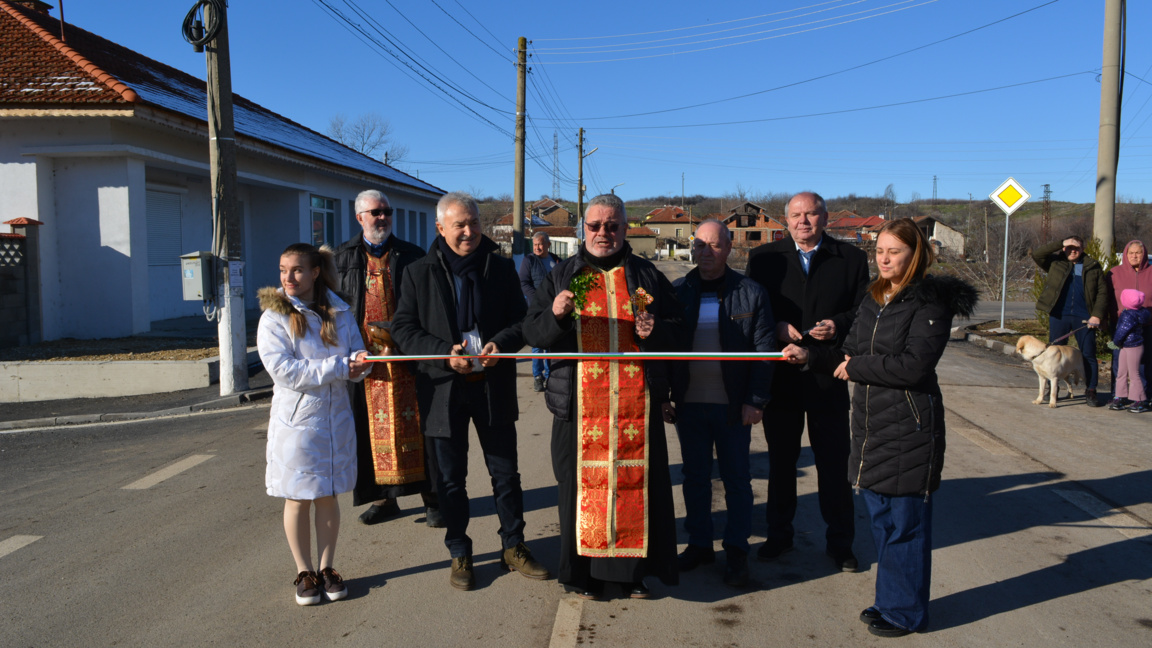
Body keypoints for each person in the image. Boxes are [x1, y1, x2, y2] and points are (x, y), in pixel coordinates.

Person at [786, 218, 976, 637]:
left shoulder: (930, 302)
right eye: (880, 251)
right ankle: (890, 601)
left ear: (916, 254)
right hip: (871, 426)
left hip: (909, 426)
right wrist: (809, 355)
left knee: (905, 525)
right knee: (883, 523)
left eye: (895, 251)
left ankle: (905, 612)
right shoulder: (875, 298)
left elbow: (913, 366)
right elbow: (848, 351)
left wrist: (853, 367)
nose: (885, 259)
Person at [523, 193, 683, 600]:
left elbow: (678, 329)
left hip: (635, 408)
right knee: (577, 490)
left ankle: (632, 576)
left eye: (612, 226)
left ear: (625, 228)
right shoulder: (562, 276)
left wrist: (655, 332)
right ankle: (582, 576)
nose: (603, 233)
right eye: (594, 226)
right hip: (578, 408)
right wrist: (556, 316)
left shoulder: (645, 274)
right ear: (583, 229)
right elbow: (532, 333)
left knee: (636, 486)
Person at [391, 191, 549, 591]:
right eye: (459, 225)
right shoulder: (418, 272)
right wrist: (445, 355)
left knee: (506, 474)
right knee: (449, 480)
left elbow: (523, 320)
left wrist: (501, 343)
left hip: (492, 386)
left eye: (473, 222)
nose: (468, 231)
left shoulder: (500, 268)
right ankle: (459, 550)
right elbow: (404, 330)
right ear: (441, 228)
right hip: (444, 388)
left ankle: (513, 546)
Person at [745, 191, 870, 571]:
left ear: (825, 217)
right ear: (786, 220)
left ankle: (841, 543)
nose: (804, 221)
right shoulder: (764, 259)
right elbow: (751, 308)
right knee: (781, 464)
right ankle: (779, 536)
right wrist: (776, 325)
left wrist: (839, 324)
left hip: (827, 375)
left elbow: (863, 310)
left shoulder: (850, 259)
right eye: (796, 215)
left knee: (833, 464)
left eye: (811, 214)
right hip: (780, 377)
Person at [257, 243, 372, 606]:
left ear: (315, 272)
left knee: (327, 494)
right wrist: (340, 367)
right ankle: (304, 571)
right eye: (282, 270)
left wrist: (362, 361)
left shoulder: (339, 311)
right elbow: (284, 371)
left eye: (297, 270)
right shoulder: (274, 316)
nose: (288, 278)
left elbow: (355, 351)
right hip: (298, 422)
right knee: (298, 496)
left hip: (336, 418)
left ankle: (327, 568)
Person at [665, 219, 775, 588]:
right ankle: (699, 545)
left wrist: (755, 401)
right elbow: (665, 349)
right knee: (694, 478)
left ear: (729, 248)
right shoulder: (679, 291)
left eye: (714, 246)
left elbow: (763, 353)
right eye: (699, 246)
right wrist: (666, 395)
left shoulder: (751, 292)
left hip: (732, 407)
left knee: (737, 481)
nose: (705, 253)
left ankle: (736, 550)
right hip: (689, 405)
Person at [333, 189, 442, 528]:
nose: (382, 217)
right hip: (367, 362)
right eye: (375, 212)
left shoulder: (411, 254)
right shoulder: (341, 258)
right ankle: (383, 498)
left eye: (387, 212)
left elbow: (429, 301)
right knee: (370, 430)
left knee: (421, 427)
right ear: (359, 217)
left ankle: (432, 498)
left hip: (407, 357)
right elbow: (334, 309)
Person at [1031, 235, 1108, 406]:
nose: (1073, 251)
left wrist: (1097, 315)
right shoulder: (1055, 262)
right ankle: (1054, 390)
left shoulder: (1092, 266)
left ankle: (1091, 391)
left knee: (1088, 354)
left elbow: (1102, 292)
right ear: (1064, 248)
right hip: (1059, 315)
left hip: (1085, 317)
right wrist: (1060, 242)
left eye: (1077, 248)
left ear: (1082, 249)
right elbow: (1037, 254)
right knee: (1053, 354)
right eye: (1069, 247)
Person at [1105, 240, 1152, 410]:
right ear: (1125, 254)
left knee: (1145, 362)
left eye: (1138, 252)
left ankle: (1143, 397)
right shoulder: (1115, 273)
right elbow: (1106, 298)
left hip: (1147, 326)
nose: (1134, 256)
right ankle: (1120, 396)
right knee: (1120, 364)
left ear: (1144, 254)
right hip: (1120, 326)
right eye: (1131, 253)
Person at [519, 231, 561, 392]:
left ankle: (550, 376)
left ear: (548, 245)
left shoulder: (556, 260)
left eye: (541, 244)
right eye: (535, 244)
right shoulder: (529, 260)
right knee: (537, 345)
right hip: (537, 309)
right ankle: (538, 376)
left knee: (551, 343)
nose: (537, 247)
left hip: (554, 309)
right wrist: (537, 300)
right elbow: (524, 282)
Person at [1108, 288, 1150, 413]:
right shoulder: (1140, 312)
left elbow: (1121, 331)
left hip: (1132, 346)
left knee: (1133, 373)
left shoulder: (1128, 315)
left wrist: (1115, 342)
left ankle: (1140, 400)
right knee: (1122, 371)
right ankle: (1120, 396)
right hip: (1127, 346)